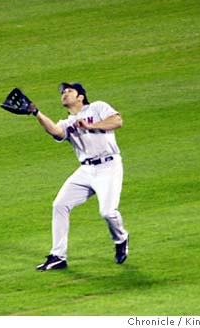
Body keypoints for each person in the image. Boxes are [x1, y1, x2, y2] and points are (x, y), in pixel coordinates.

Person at [31, 82, 129, 270]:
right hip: (85, 170)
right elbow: (55, 131)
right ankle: (58, 256)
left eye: (69, 91)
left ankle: (121, 238)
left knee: (108, 212)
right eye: (63, 92)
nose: (64, 94)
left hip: (108, 166)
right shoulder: (66, 122)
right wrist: (36, 113)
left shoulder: (97, 107)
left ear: (80, 96)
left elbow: (117, 121)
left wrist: (91, 125)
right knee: (60, 205)